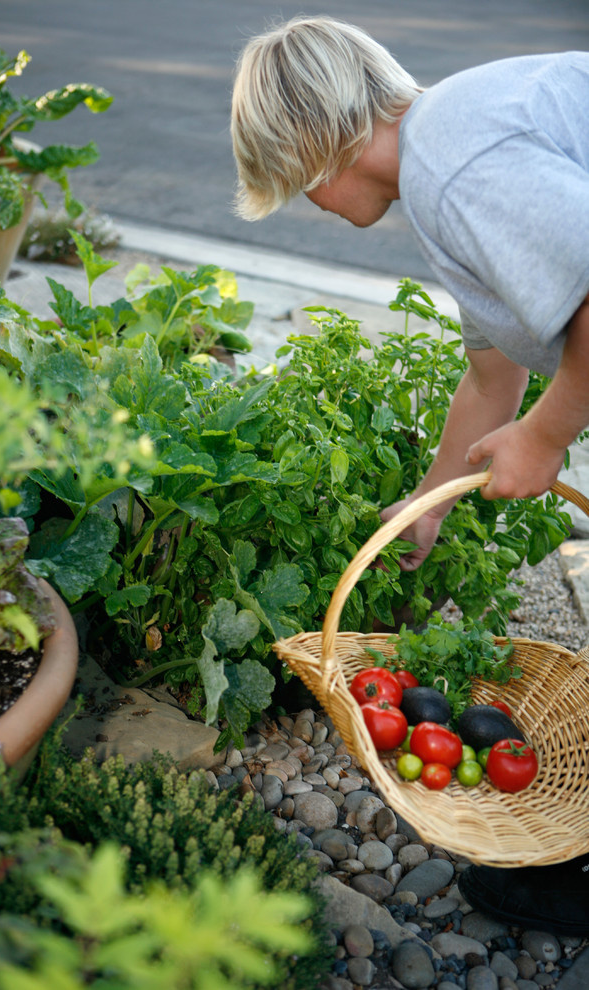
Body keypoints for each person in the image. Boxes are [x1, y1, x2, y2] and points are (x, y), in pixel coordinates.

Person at [230, 15, 589, 935]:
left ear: (319, 141)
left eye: (294, 180)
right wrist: (429, 502)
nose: (309, 203)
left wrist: (546, 437)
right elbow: (492, 374)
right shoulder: (448, 152)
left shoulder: (456, 165)